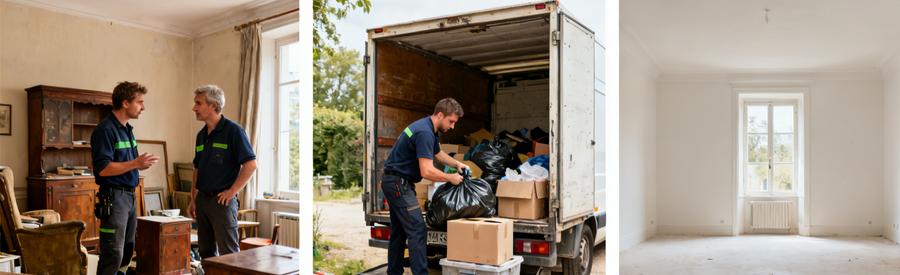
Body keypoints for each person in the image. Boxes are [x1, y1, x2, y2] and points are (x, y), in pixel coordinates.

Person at [381, 98, 471, 275]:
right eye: (451, 121)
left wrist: (457, 165)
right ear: (440, 115)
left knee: (399, 231)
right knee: (417, 229)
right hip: (399, 184)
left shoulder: (427, 127)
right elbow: (426, 171)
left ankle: (394, 272)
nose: (453, 127)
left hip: (394, 183)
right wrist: (450, 178)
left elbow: (437, 153)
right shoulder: (424, 133)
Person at [91, 81, 159, 275]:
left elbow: (126, 163)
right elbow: (103, 169)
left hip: (129, 197)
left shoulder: (127, 129)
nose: (143, 107)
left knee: (128, 251)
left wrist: (137, 164)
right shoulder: (105, 130)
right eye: (140, 102)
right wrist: (136, 164)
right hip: (114, 198)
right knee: (113, 253)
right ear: (125, 103)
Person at [189, 85, 257, 258]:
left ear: (213, 105)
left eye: (198, 103)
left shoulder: (234, 132)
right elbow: (197, 169)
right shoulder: (201, 135)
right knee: (205, 252)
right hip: (202, 200)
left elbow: (250, 165)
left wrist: (232, 192)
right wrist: (193, 199)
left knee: (229, 253)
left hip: (222, 203)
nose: (194, 108)